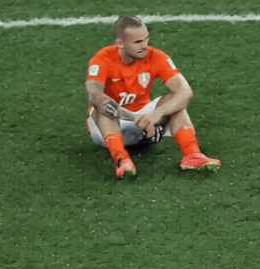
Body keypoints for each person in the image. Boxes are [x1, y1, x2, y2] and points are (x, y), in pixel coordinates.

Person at [85, 15, 221, 179]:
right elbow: (95, 95)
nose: (144, 46)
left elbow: (185, 92)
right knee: (103, 108)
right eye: (137, 42)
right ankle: (122, 160)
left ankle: (192, 155)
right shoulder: (103, 58)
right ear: (120, 43)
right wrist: (133, 117)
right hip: (106, 128)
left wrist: (157, 114)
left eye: (146, 39)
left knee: (174, 100)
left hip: (144, 121)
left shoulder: (155, 56)